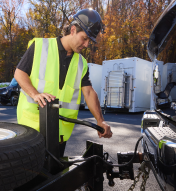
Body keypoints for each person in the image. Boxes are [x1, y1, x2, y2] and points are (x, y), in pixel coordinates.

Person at [14, 9, 112, 157]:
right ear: (73, 30)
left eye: (89, 41)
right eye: (84, 38)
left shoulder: (81, 63)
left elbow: (89, 92)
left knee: (54, 175)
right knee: (31, 177)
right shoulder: (40, 46)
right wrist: (35, 94)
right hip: (31, 132)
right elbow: (19, 73)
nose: (86, 45)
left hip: (59, 136)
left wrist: (101, 121)